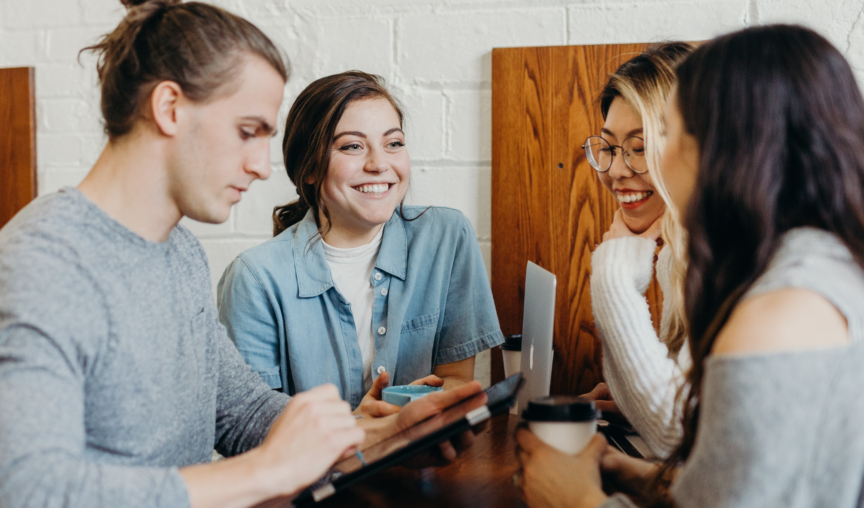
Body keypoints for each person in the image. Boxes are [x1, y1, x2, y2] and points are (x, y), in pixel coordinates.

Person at [0, 2, 483, 507]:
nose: (259, 166)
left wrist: (382, 439)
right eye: (247, 131)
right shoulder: (42, 264)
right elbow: (28, 490)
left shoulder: (179, 252)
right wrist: (265, 471)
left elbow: (242, 412)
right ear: (169, 108)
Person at [517, 24, 864, 508]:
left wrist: (574, 499)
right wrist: (634, 476)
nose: (634, 163)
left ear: (728, 148)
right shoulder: (815, 268)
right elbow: (739, 485)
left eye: (668, 133)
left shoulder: (778, 313)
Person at [217, 71, 504, 414]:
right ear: (308, 168)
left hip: (423, 461)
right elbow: (253, 426)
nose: (379, 164)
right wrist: (362, 429)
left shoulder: (447, 237)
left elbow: (457, 379)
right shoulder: (254, 278)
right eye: (352, 146)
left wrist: (421, 405)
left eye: (393, 143)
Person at [581, 42, 693, 458]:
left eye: (640, 147)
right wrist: (632, 402)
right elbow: (686, 418)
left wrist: (612, 275)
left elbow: (675, 435)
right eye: (608, 147)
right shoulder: (677, 254)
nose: (615, 170)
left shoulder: (726, 256)